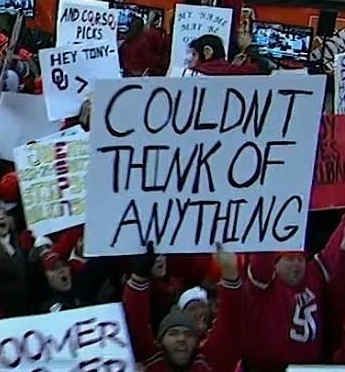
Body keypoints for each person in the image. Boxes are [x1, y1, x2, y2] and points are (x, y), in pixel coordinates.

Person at [237, 217, 345, 372]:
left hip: (311, 368)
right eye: (289, 258)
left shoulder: (314, 276)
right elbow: (262, 259)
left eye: (300, 259)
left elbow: (332, 253)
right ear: (276, 263)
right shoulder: (263, 288)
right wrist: (272, 216)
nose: (296, 264)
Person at [124, 242, 242, 371]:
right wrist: (139, 277)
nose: (181, 339)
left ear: (198, 342)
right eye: (173, 333)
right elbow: (134, 326)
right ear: (160, 341)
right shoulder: (150, 362)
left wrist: (230, 273)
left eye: (189, 334)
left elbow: (230, 324)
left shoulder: (208, 364)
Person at [184, 34, 259, 75]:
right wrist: (232, 67)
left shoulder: (192, 74)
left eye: (194, 54)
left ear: (207, 52)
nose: (189, 59)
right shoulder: (243, 73)